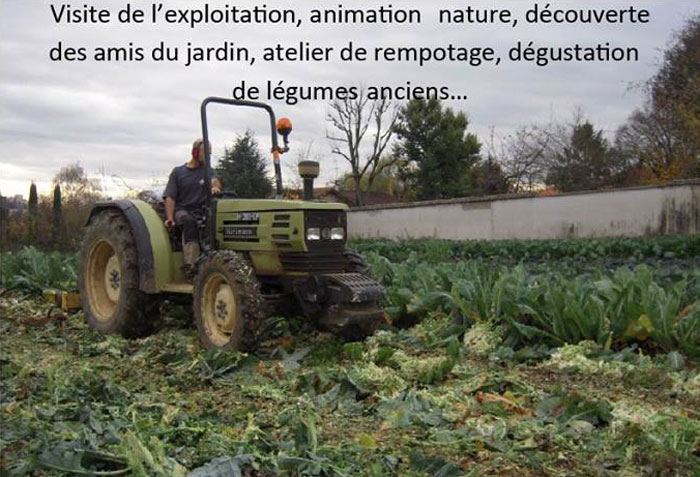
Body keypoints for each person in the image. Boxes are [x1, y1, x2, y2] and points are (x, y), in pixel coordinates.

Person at [163, 139, 222, 278]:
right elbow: (170, 197)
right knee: (189, 221)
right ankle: (191, 267)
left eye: (210, 153)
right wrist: (170, 219)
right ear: (195, 152)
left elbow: (215, 181)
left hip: (201, 211)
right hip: (182, 211)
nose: (208, 156)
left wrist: (215, 187)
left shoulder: (208, 171)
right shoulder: (178, 172)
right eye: (205, 153)